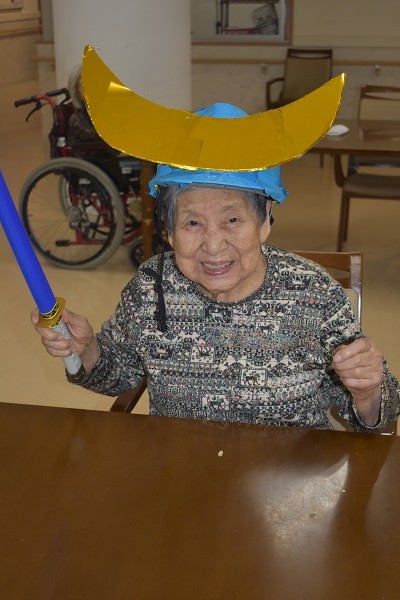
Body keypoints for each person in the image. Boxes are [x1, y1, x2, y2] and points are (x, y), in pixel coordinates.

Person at [31, 68, 400, 432]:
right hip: (183, 463)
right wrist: (87, 349)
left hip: (291, 468)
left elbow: (380, 416)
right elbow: (118, 375)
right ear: (169, 231)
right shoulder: (152, 286)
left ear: (264, 222)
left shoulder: (314, 293)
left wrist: (367, 392)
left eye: (232, 220)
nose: (213, 245)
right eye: (192, 223)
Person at [66, 64, 131, 193]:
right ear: (76, 92)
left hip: (106, 153)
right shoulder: (77, 119)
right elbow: (101, 138)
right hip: (99, 159)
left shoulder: (94, 112)